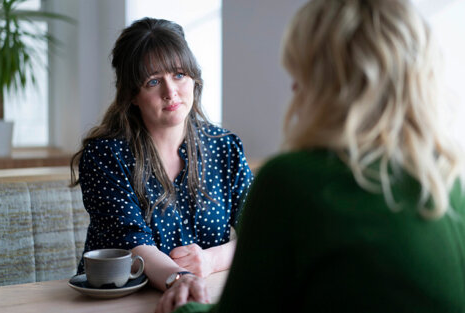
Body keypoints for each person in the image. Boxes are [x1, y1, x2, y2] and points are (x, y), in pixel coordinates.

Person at [157, 0, 465, 312]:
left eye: (301, 71)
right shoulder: (444, 179)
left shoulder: (288, 181)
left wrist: (183, 308)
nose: (293, 86)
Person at [70, 17, 253, 297]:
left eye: (179, 75)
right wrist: (180, 279)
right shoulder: (105, 155)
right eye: (154, 81)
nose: (171, 92)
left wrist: (209, 261)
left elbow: (260, 231)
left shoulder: (225, 148)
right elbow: (133, 244)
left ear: (194, 78)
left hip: (203, 294)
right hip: (120, 299)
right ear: (132, 95)